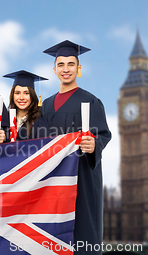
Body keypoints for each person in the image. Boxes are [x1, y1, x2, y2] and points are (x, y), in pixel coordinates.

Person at [42, 40, 111, 254]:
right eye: (61, 65)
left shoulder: (91, 101)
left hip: (81, 177)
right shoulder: (45, 105)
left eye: (71, 64)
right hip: (50, 179)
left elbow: (103, 134)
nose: (66, 69)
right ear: (54, 70)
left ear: (78, 69)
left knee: (81, 229)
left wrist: (94, 144)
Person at [4, 70, 49, 141]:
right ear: (12, 95)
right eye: (17, 93)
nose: (21, 98)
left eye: (26, 93)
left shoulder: (39, 123)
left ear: (32, 96)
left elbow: (43, 148)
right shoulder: (5, 120)